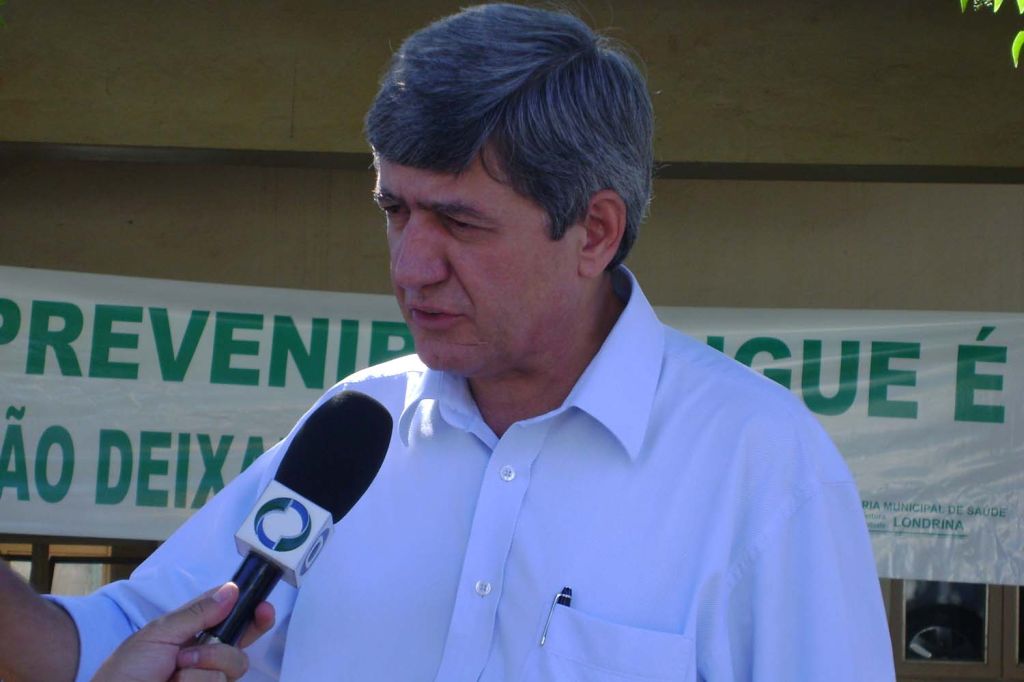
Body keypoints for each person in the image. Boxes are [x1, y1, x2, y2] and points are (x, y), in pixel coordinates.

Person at [0, 4, 896, 681]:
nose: (410, 267)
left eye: (460, 223)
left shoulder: (760, 464)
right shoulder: (357, 426)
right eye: (395, 210)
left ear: (594, 232)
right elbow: (116, 642)